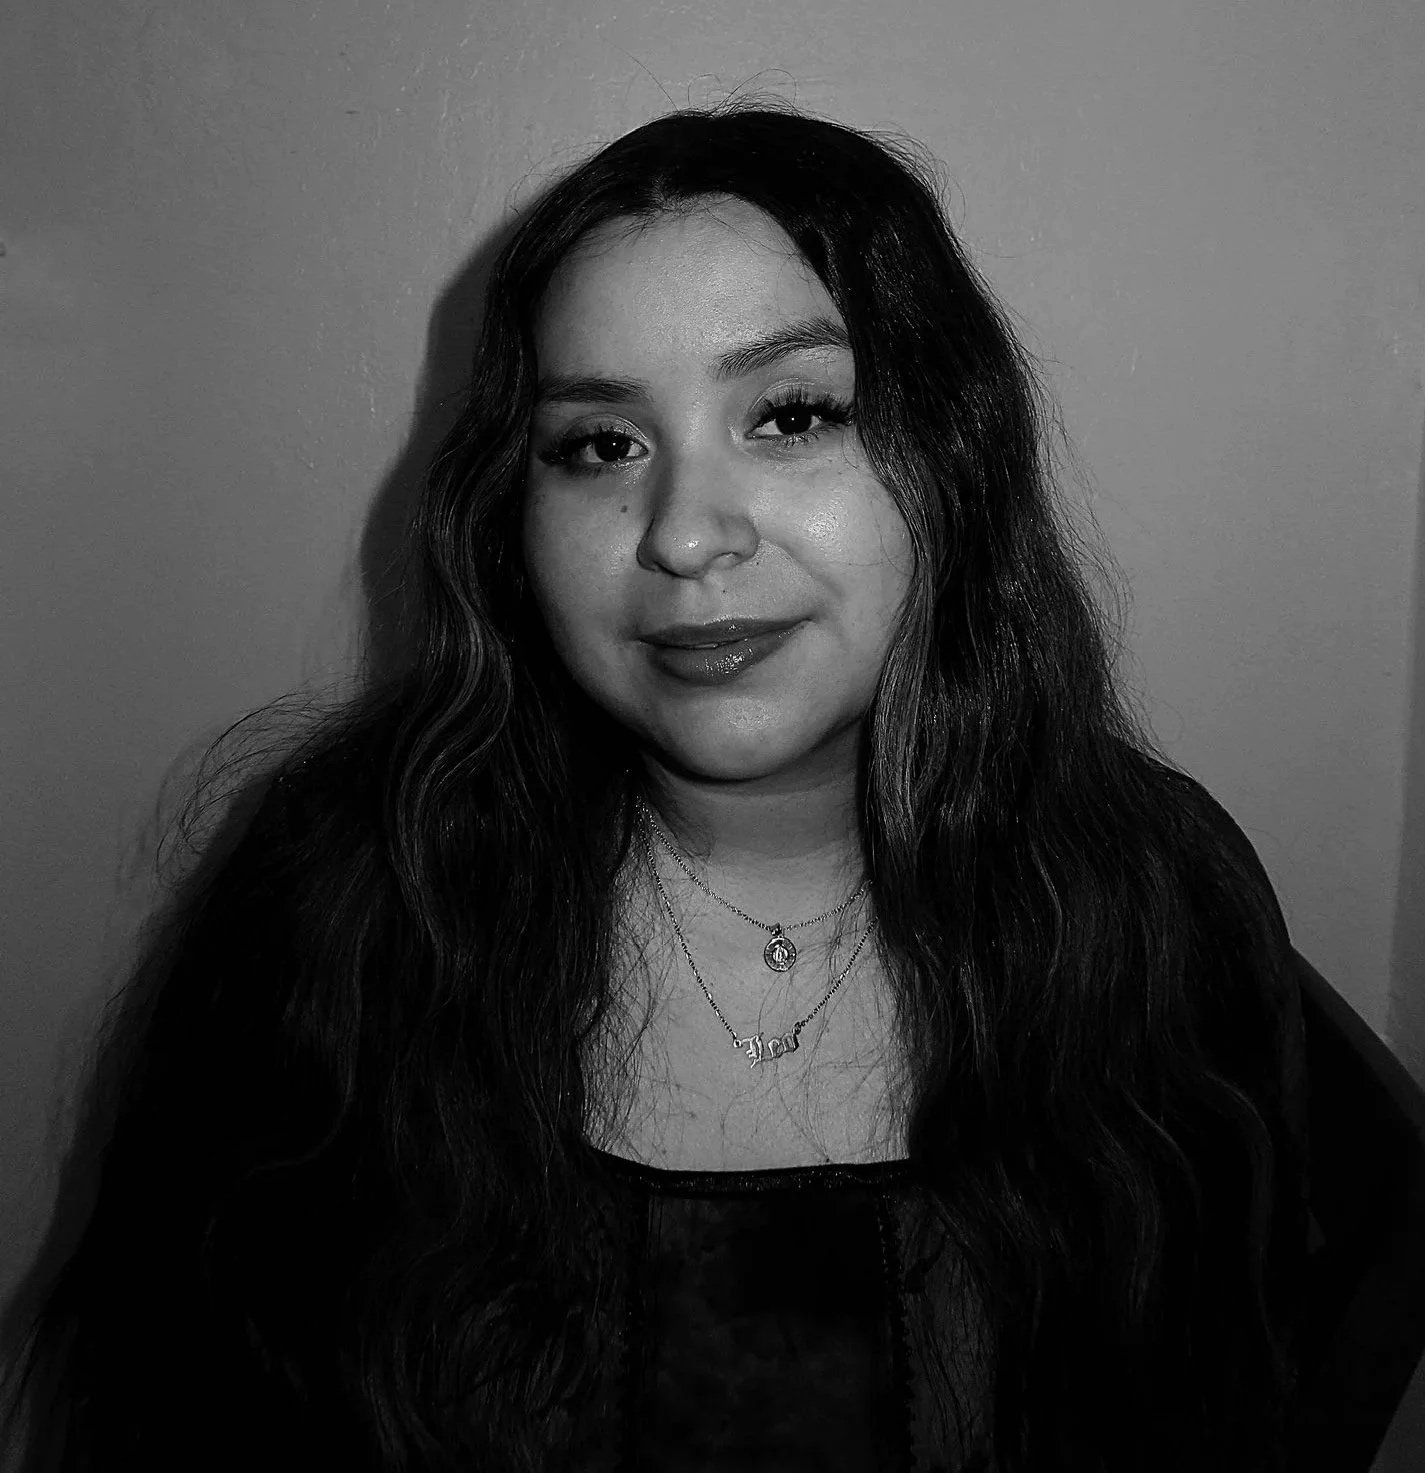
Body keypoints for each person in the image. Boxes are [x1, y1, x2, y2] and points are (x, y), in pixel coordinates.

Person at [6, 102, 1313, 1471]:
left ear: (955, 456)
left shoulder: (1155, 898)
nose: (685, 534)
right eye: (600, 444)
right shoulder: (344, 903)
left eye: (793, 412)